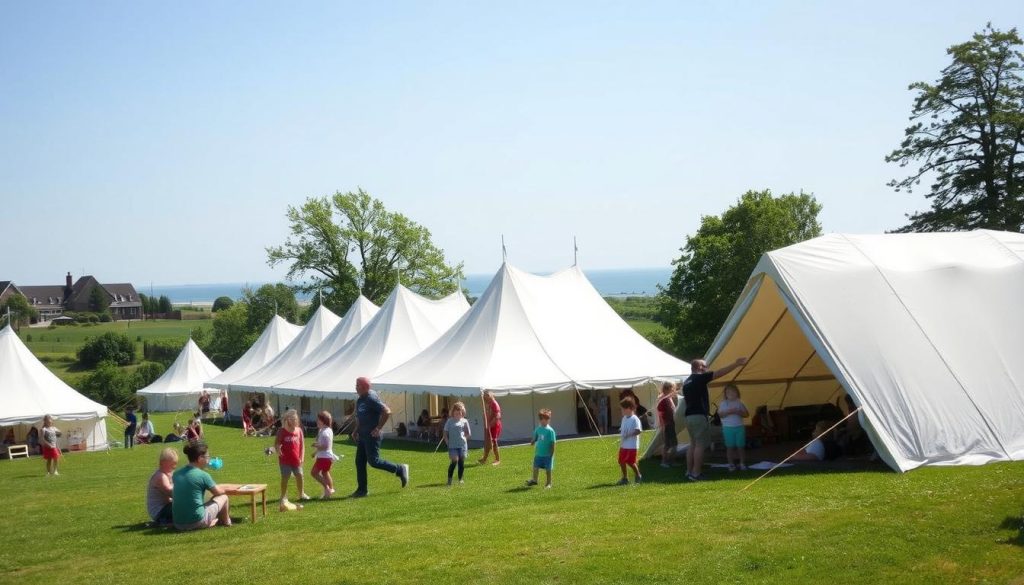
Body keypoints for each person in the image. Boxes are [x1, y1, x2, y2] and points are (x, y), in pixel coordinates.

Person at [682, 356, 748, 481]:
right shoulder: (700, 377)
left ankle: (689, 471)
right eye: (706, 366)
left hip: (689, 416)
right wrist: (736, 363)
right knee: (700, 445)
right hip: (698, 416)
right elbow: (719, 373)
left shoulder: (687, 382)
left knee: (693, 444)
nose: (708, 369)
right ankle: (696, 474)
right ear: (700, 368)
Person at [350, 376, 409, 497]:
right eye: (356, 385)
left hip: (372, 436)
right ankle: (362, 490)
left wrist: (378, 428)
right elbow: (360, 417)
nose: (356, 387)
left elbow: (387, 411)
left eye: (358, 385)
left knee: (374, 461)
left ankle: (399, 469)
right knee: (359, 462)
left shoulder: (371, 398)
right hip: (363, 435)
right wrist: (356, 430)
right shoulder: (360, 399)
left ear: (365, 387)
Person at [172, 441, 231, 530]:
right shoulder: (203, 475)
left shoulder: (176, 474)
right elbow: (218, 492)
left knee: (208, 500)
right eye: (207, 457)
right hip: (196, 522)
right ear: (200, 458)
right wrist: (227, 488)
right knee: (224, 497)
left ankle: (215, 520)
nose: (209, 460)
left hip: (178, 523)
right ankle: (227, 522)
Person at [276, 409, 309, 511]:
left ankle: (301, 494)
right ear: (289, 420)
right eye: (294, 419)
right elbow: (277, 443)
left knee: (299, 475)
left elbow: (302, 445)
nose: (296, 421)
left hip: (296, 459)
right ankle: (283, 496)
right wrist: (278, 450)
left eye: (297, 419)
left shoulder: (299, 430)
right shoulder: (281, 431)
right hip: (285, 460)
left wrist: (302, 457)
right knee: (285, 477)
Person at [719, 383, 749, 471]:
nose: (731, 394)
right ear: (725, 394)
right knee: (730, 447)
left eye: (733, 392)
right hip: (728, 428)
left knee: (741, 446)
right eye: (728, 393)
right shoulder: (723, 403)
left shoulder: (739, 402)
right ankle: (731, 464)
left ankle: (742, 463)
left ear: (737, 393)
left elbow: (746, 414)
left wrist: (739, 412)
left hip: (739, 427)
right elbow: (720, 415)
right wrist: (728, 412)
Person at [311, 410, 339, 499]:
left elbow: (326, 446)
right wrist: (315, 452)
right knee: (325, 473)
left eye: (318, 419)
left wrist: (315, 445)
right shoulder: (324, 430)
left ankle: (327, 488)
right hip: (326, 457)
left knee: (314, 473)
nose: (317, 421)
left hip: (324, 457)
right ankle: (330, 489)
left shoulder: (325, 432)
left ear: (323, 421)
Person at [526, 409, 556, 489]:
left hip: (547, 454)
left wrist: (551, 454)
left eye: (547, 419)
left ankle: (549, 483)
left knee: (548, 470)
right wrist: (533, 441)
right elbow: (535, 437)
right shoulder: (538, 429)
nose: (545, 421)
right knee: (535, 467)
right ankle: (534, 480)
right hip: (539, 453)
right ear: (540, 419)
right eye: (543, 419)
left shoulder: (550, 431)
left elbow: (553, 443)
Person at [443, 402, 471, 487]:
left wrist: (465, 439)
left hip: (462, 445)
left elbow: (468, 433)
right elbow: (445, 432)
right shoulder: (449, 421)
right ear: (453, 412)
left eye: (460, 412)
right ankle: (449, 480)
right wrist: (447, 441)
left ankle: (460, 479)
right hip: (452, 446)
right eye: (457, 412)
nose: (458, 414)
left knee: (461, 462)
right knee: (454, 460)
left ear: (462, 413)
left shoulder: (465, 421)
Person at [147, 448, 177, 525]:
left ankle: (170, 520)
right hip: (159, 511)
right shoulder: (160, 476)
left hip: (167, 506)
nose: (173, 467)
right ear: (161, 463)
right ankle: (164, 520)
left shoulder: (168, 474)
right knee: (184, 506)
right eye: (171, 465)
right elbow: (170, 492)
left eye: (175, 464)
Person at [617, 398, 643, 486]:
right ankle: (625, 478)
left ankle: (638, 475)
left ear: (628, 408)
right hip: (623, 445)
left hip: (632, 445)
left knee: (630, 462)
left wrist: (629, 434)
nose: (621, 411)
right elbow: (623, 429)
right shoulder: (624, 418)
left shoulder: (635, 419)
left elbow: (638, 431)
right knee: (621, 461)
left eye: (622, 409)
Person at [656, 381, 679, 468]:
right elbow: (661, 413)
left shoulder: (667, 399)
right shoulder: (664, 399)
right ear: (667, 389)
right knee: (669, 444)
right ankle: (664, 462)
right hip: (667, 424)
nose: (673, 390)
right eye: (672, 388)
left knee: (672, 444)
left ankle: (671, 461)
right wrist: (663, 425)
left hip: (670, 423)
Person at [477, 390, 502, 465]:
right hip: (489, 425)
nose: (485, 398)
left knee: (493, 441)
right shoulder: (489, 403)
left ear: (490, 396)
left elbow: (498, 416)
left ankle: (497, 459)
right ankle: (484, 458)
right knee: (488, 442)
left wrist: (490, 424)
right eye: (484, 396)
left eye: (486, 396)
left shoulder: (494, 403)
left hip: (494, 425)